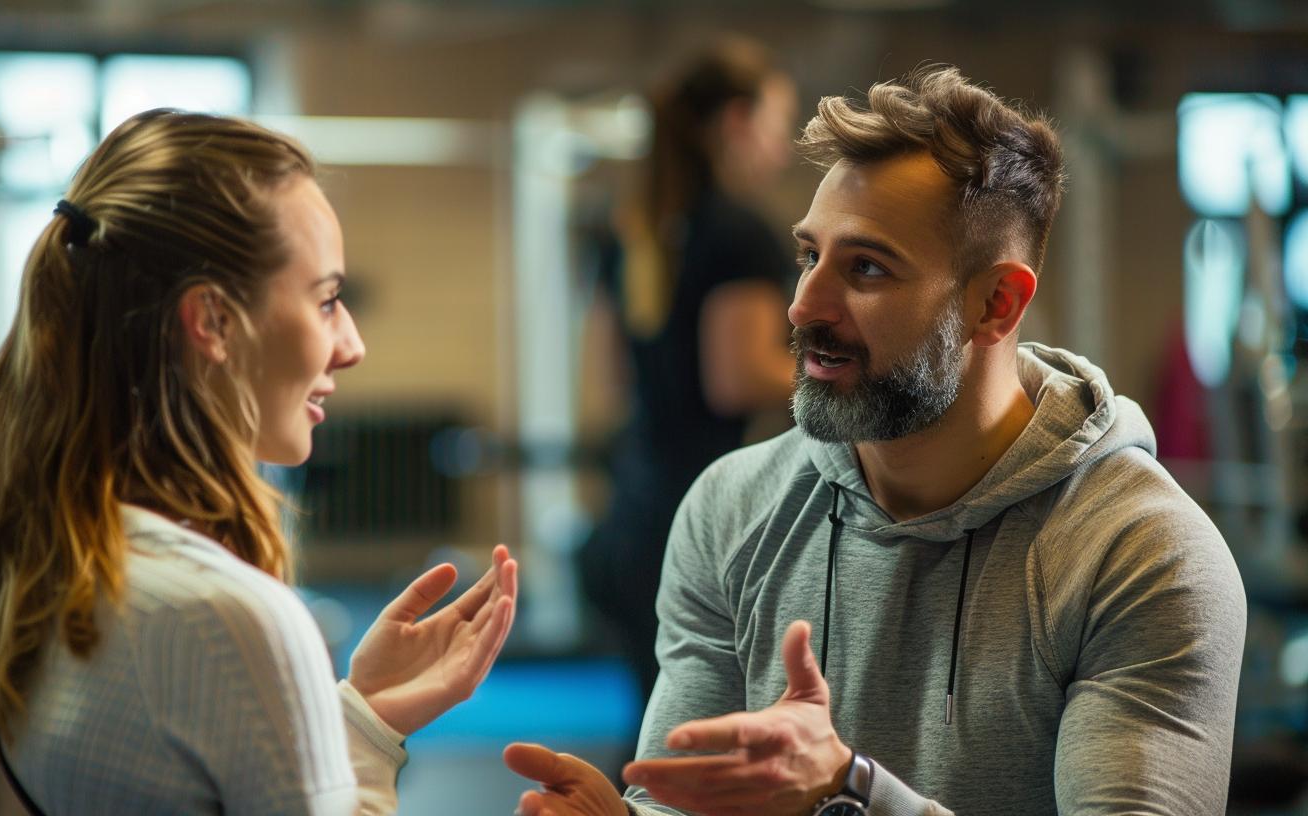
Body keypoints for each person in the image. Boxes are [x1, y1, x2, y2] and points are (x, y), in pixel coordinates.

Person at [506, 65, 1247, 815]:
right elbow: (686, 801)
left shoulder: (1143, 555)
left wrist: (850, 793)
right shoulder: (731, 509)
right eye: (808, 256)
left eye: (865, 268)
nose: (802, 307)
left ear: (997, 302)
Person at [0, 109, 518, 815]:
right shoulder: (221, 619)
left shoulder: (33, 560)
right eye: (327, 300)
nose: (352, 344)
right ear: (211, 320)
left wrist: (363, 717)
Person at [579, 37, 799, 703]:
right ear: (737, 122)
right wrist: (860, 377)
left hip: (632, 515)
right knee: (690, 741)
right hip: (693, 524)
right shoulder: (739, 234)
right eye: (777, 127)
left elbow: (613, 374)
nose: (782, 149)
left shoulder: (637, 231)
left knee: (659, 729)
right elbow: (736, 377)